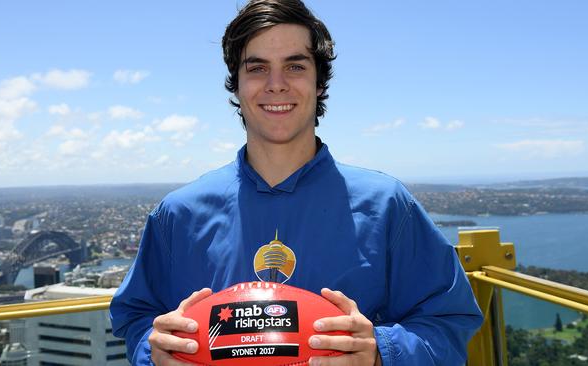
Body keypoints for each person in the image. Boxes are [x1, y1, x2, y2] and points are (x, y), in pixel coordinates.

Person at [109, 0, 483, 365]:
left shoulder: (387, 206)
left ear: (319, 83)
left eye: (295, 66)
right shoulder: (178, 214)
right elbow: (136, 317)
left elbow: (448, 326)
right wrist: (153, 351)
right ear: (236, 85)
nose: (276, 85)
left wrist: (380, 352)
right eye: (257, 68)